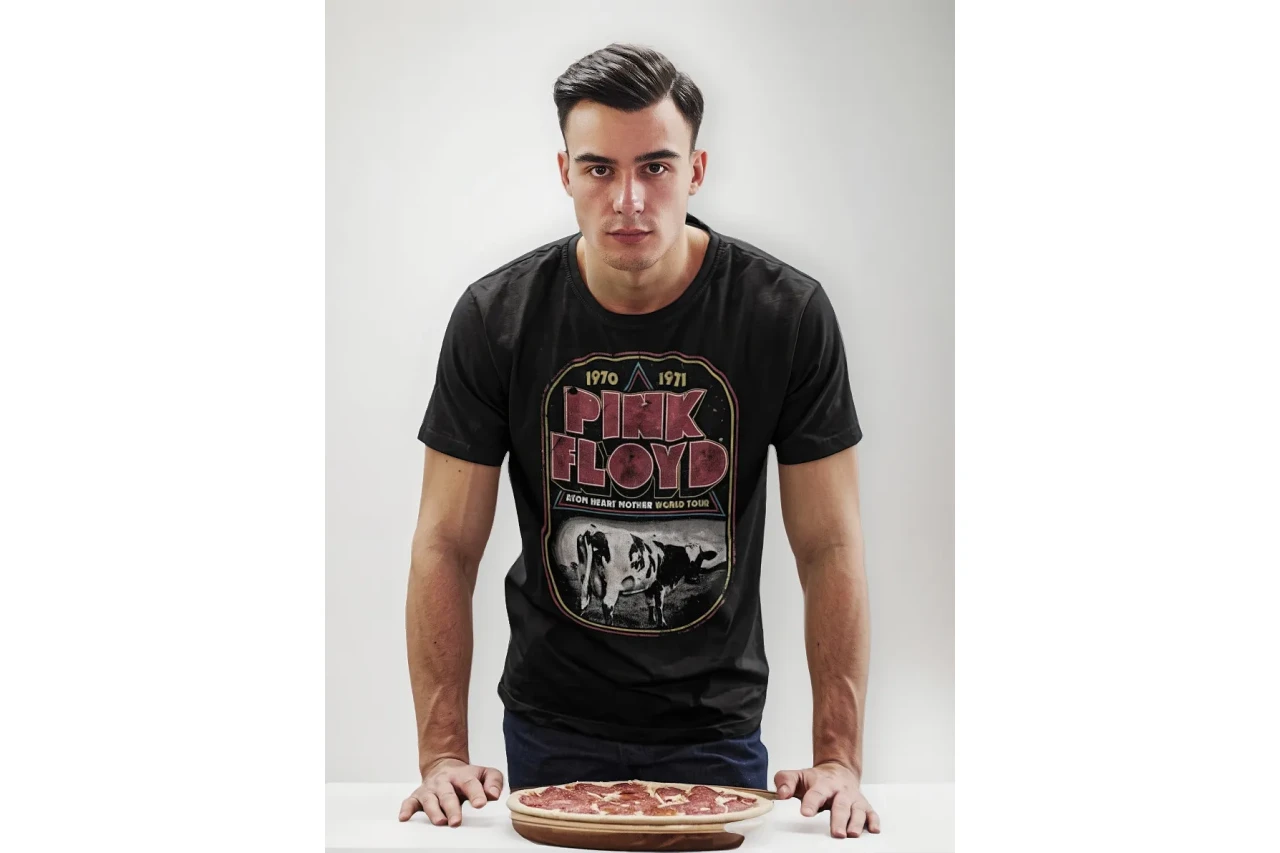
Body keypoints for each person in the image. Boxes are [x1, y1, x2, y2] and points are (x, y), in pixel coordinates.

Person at [397, 43, 879, 840]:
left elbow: (830, 545)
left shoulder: (784, 315)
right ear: (565, 173)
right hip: (551, 724)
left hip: (714, 727)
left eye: (655, 166)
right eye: (599, 169)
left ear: (696, 171)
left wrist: (839, 757)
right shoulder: (496, 319)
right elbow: (445, 544)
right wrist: (442, 752)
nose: (628, 198)